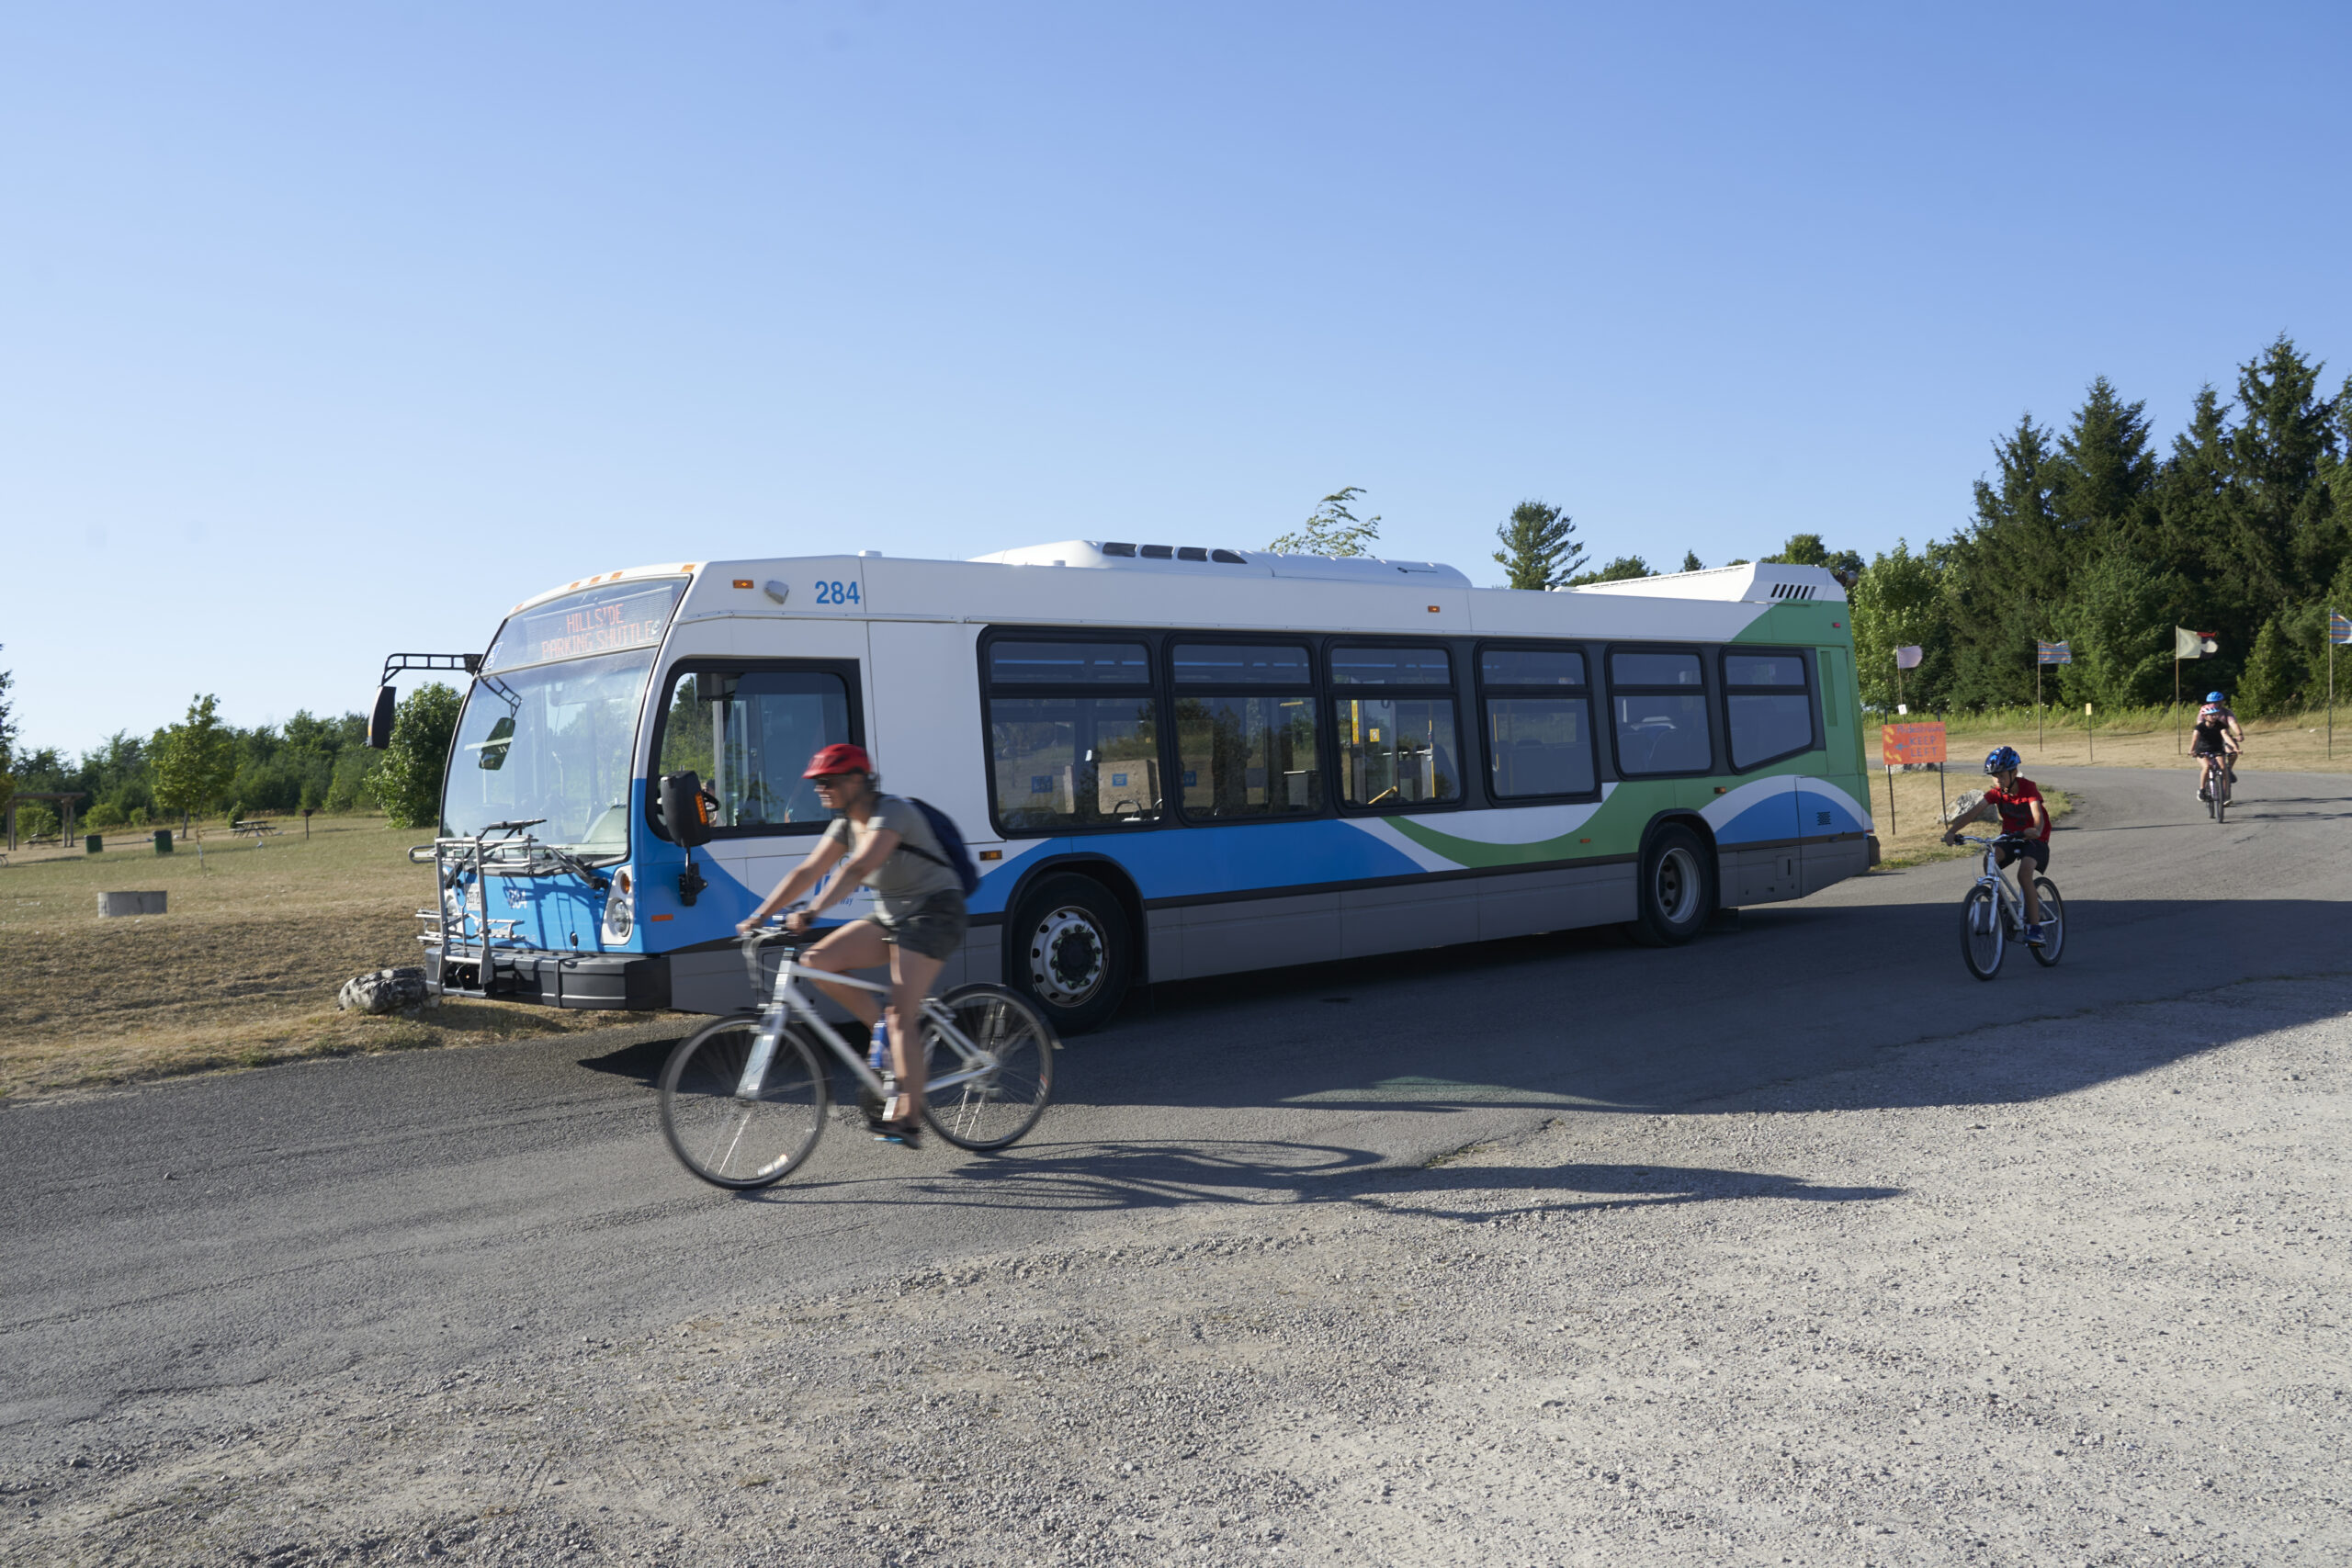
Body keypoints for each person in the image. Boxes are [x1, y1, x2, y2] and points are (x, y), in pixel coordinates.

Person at [736, 743, 968, 1146]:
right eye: (816, 783)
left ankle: (909, 1119)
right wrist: (758, 916)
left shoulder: (891, 811)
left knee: (900, 1015)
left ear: (857, 779)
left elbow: (860, 867)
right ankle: (890, 1037)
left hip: (935, 912)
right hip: (892, 918)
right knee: (818, 960)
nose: (819, 789)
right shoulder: (845, 823)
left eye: (827, 781)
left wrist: (811, 912)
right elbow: (809, 869)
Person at [1942, 745, 2052, 946]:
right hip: (2010, 837)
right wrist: (1952, 831)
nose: (1998, 780)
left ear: (2013, 773)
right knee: (1990, 859)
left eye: (2001, 775)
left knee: (2024, 874)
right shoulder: (1996, 793)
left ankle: (2036, 929)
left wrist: (2035, 829)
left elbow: (2037, 813)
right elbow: (1973, 812)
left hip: (2034, 838)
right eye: (1994, 776)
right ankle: (2001, 903)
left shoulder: (2028, 788)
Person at [2190, 692, 2244, 803]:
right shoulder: (2204, 712)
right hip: (2206, 741)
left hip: (2221, 740)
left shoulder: (2226, 713)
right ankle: (2203, 790)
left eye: (2217, 702)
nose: (2215, 704)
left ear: (2222, 702)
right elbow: (2199, 730)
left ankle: (2228, 773)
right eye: (2212, 702)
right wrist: (2193, 749)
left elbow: (2232, 724)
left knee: (2231, 753)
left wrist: (2239, 734)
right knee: (2207, 766)